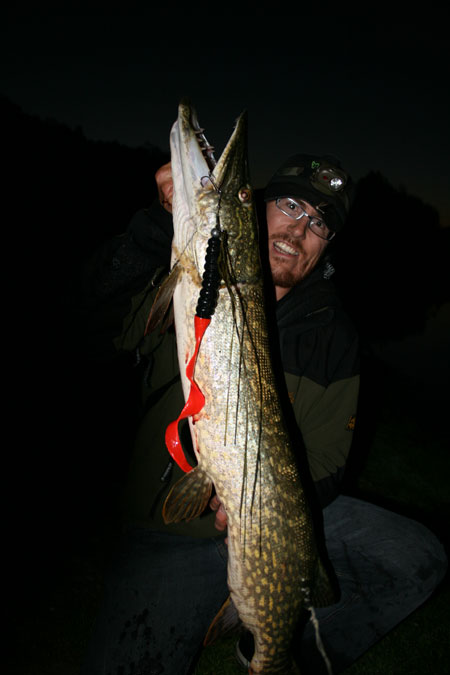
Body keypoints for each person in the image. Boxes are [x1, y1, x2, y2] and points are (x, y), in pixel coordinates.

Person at [80, 153, 447, 675]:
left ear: (326, 247)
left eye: (319, 223)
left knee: (416, 557)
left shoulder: (334, 333)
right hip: (171, 530)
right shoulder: (186, 274)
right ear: (257, 211)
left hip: (276, 525)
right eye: (290, 205)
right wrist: (158, 227)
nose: (298, 230)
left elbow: (328, 460)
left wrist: (262, 505)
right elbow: (91, 320)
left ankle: (284, 651)